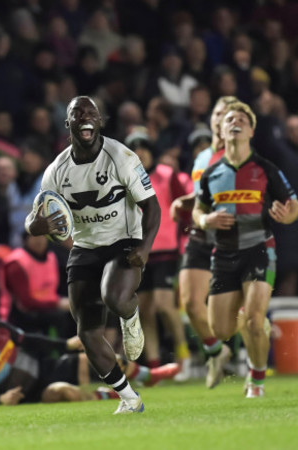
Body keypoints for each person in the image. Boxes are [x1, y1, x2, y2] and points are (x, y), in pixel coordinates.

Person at [25, 96, 161, 414]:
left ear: (100, 121)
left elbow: (151, 206)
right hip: (85, 247)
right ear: (68, 122)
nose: (85, 117)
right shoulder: (56, 171)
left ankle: (130, 316)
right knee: (87, 333)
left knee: (113, 296)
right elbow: (33, 219)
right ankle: (129, 398)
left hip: (124, 239)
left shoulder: (121, 157)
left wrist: (144, 247)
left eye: (91, 113)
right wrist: (38, 225)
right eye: (77, 113)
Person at [192, 102, 298, 398]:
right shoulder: (210, 173)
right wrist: (206, 219)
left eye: (242, 119)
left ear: (251, 130)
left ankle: (257, 379)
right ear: (222, 129)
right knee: (222, 330)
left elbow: (294, 206)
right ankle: (256, 323)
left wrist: (286, 215)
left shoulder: (266, 169)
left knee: (253, 321)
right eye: (230, 119)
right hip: (224, 255)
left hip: (259, 249)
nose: (235, 122)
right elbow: (197, 211)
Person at [0, 296, 180, 407]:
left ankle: (149, 376)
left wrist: (66, 345)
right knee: (64, 392)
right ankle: (108, 396)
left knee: (100, 358)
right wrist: (0, 400)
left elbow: (32, 341)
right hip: (30, 394)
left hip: (45, 368)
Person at [169, 96, 237, 387]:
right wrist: (182, 202)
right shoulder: (200, 157)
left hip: (228, 235)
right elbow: (202, 195)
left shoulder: (239, 155)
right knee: (191, 304)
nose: (221, 119)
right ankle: (216, 352)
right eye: (217, 113)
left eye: (228, 115)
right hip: (199, 232)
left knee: (234, 313)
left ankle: (255, 358)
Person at [125, 128, 191, 378]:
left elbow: (184, 206)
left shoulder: (166, 175)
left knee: (164, 305)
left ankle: (183, 355)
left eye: (144, 148)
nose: (140, 153)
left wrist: (185, 237)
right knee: (146, 309)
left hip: (165, 248)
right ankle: (154, 366)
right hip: (139, 251)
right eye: (135, 149)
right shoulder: (124, 179)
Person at [1, 232, 73, 338]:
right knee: (61, 317)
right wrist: (57, 303)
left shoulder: (51, 257)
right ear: (25, 240)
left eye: (42, 237)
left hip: (48, 305)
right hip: (23, 313)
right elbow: (25, 302)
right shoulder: (16, 263)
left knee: (77, 311)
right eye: (35, 237)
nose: (39, 241)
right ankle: (60, 350)